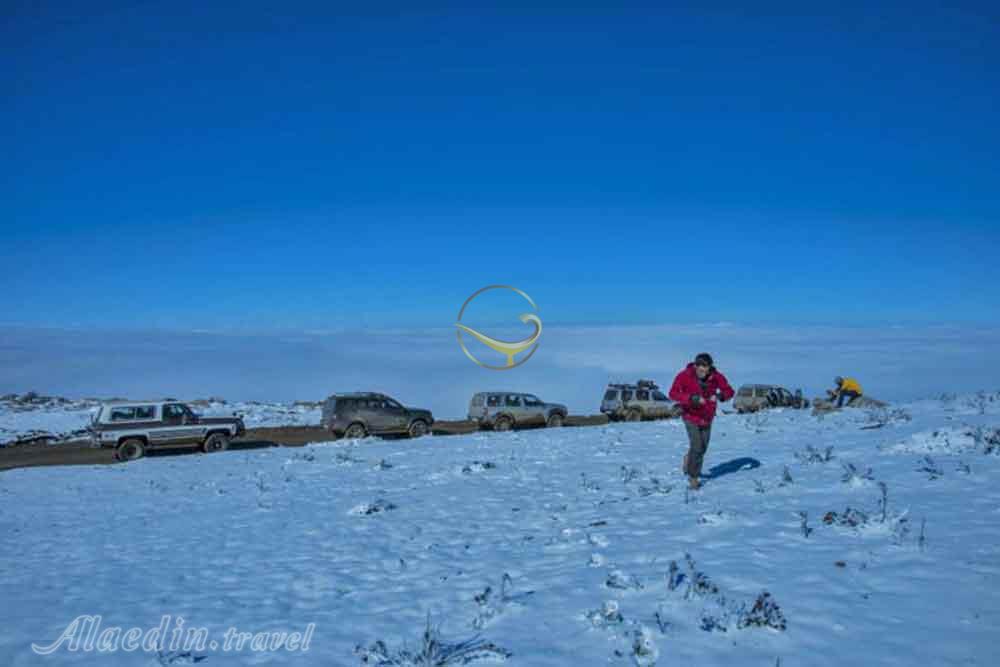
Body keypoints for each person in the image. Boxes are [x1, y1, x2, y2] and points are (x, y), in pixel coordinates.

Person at [669, 353, 735, 489]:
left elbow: (729, 391)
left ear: (710, 367)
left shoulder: (717, 376)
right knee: (697, 446)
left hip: (707, 417)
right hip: (690, 415)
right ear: (695, 365)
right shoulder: (684, 376)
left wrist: (719, 395)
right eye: (699, 366)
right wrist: (691, 398)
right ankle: (694, 477)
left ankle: (689, 458)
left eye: (705, 367)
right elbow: (673, 393)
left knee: (702, 448)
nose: (701, 370)